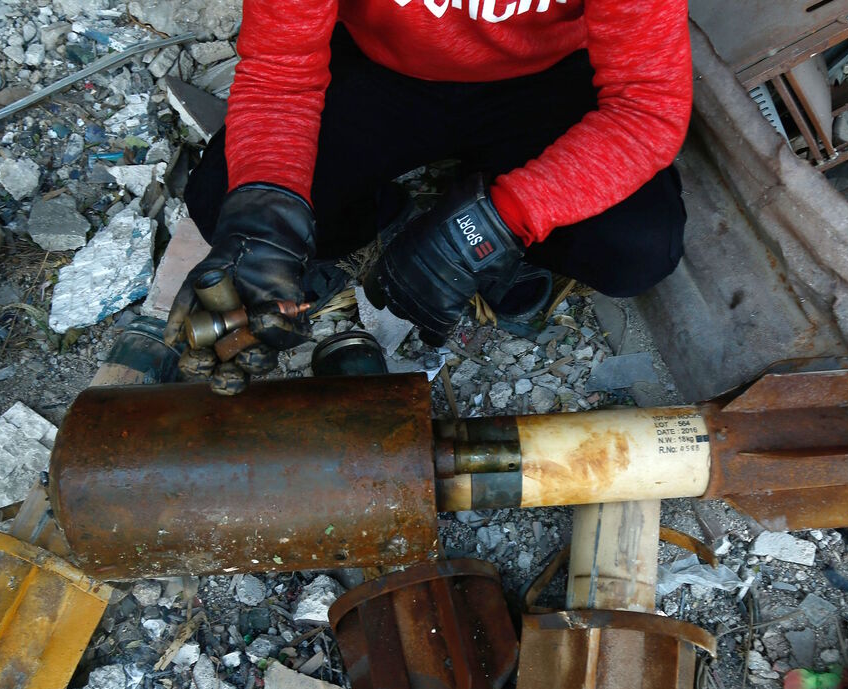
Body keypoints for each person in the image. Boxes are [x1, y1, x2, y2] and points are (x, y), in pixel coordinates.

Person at [165, 0, 692, 394]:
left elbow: (647, 105)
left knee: (634, 249)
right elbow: (281, 74)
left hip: (544, 81)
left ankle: (492, 218)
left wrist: (503, 221)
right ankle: (375, 216)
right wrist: (268, 221)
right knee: (229, 205)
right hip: (380, 71)